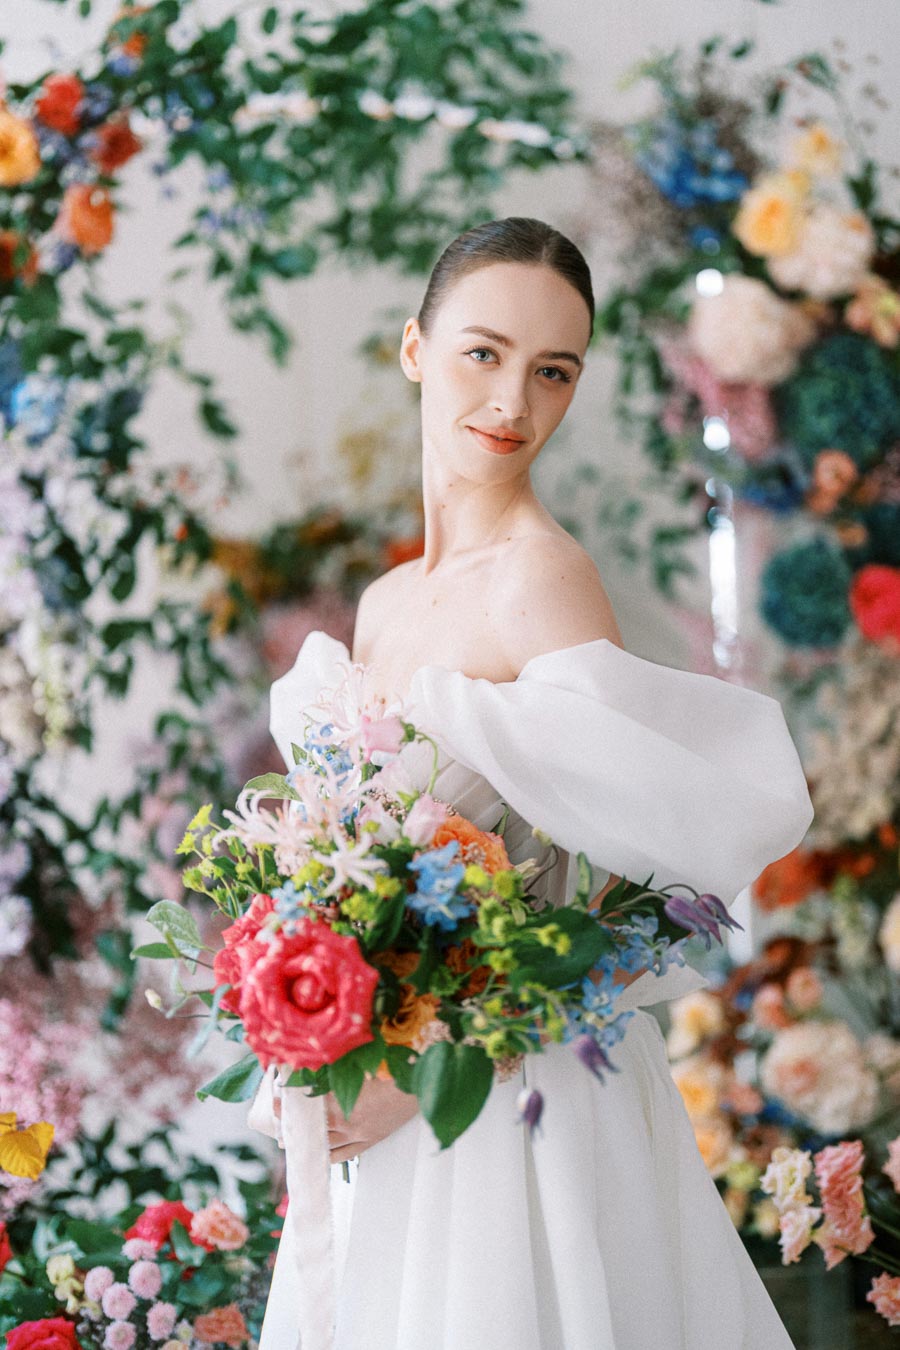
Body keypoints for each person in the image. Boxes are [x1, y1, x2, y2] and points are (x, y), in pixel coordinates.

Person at [250, 217, 812, 1349]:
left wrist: (432, 1068)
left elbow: (635, 905)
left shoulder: (542, 582)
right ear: (415, 347)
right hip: (392, 1097)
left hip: (514, 1106)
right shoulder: (387, 604)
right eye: (484, 353)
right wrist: (319, 1036)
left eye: (553, 371)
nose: (514, 401)